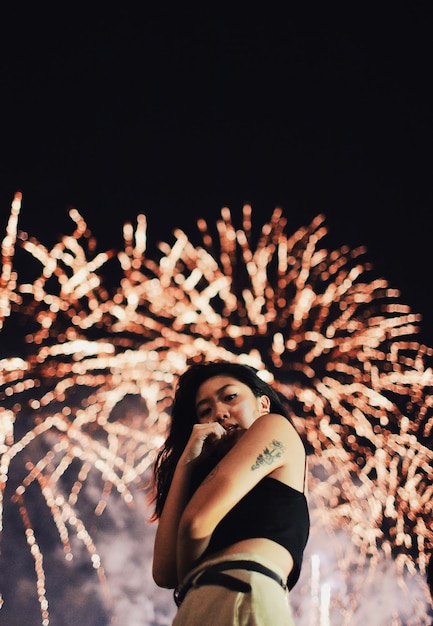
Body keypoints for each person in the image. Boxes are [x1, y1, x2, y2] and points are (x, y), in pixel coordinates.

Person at [151, 360, 310, 625]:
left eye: (230, 397)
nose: (220, 413)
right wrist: (186, 463)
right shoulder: (209, 484)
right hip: (201, 602)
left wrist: (191, 575)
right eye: (205, 411)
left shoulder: (274, 426)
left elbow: (194, 524)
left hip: (238, 592)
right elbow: (164, 572)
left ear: (263, 403)